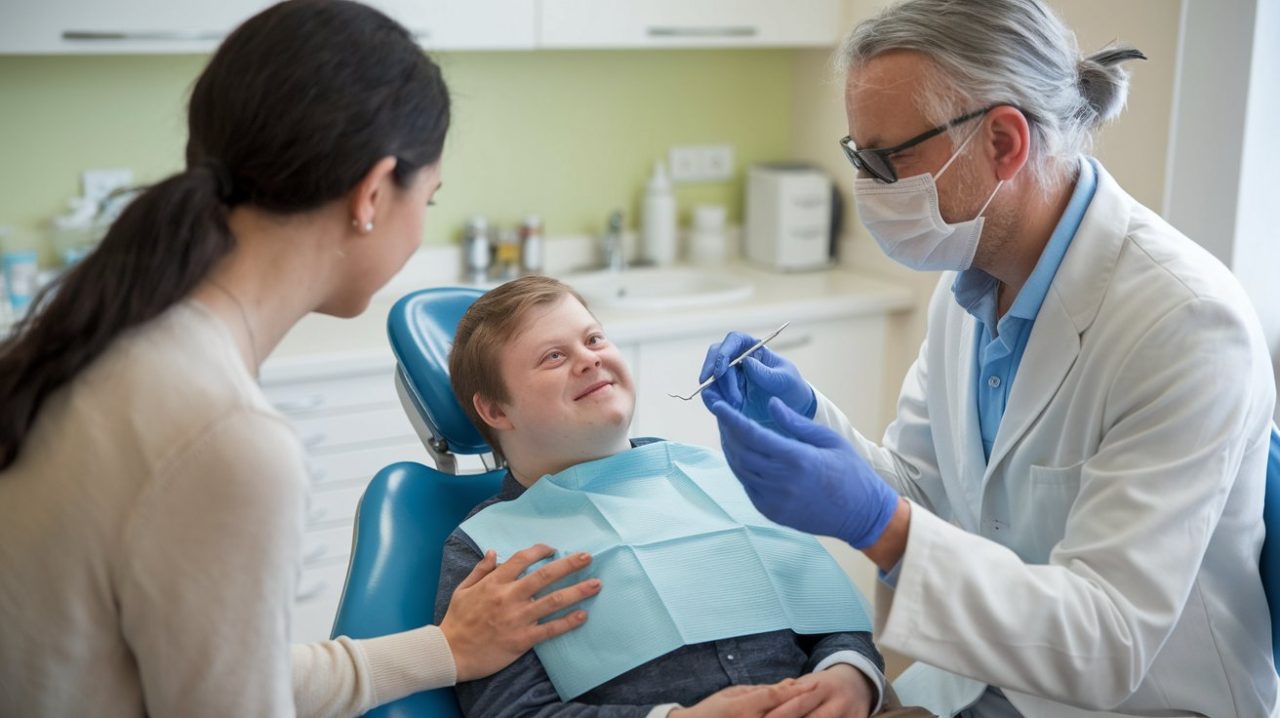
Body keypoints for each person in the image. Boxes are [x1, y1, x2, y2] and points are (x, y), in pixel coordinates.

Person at [0, 2, 599, 716]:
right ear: (372, 194)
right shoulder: (222, 435)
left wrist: (445, 651)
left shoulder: (116, 346)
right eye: (428, 201)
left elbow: (220, 666)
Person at [700, 0, 1278, 716]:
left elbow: (1108, 640)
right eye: (859, 157)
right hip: (991, 684)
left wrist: (878, 525)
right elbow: (928, 488)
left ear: (1004, 141)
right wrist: (810, 420)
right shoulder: (972, 284)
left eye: (889, 159)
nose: (869, 187)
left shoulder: (1184, 324)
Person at [435, 276, 930, 718]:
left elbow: (827, 612)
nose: (589, 358)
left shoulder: (716, 476)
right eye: (554, 357)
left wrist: (851, 675)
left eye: (593, 338)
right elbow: (511, 710)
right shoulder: (488, 549)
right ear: (495, 409)